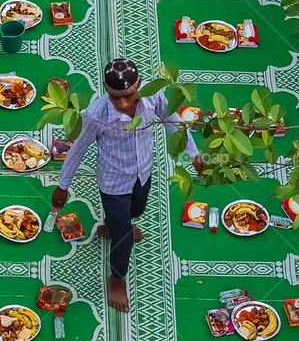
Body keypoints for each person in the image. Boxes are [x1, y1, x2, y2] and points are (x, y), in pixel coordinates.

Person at [51, 59, 204, 312]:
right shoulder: (96, 115)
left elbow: (173, 121)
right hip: (113, 181)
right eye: (115, 98)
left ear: (139, 85)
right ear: (106, 91)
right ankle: (117, 278)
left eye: (128, 96)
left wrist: (194, 154)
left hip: (142, 173)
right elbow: (77, 149)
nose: (122, 104)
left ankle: (113, 226)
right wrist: (63, 186)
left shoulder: (153, 97)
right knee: (124, 237)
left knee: (136, 210)